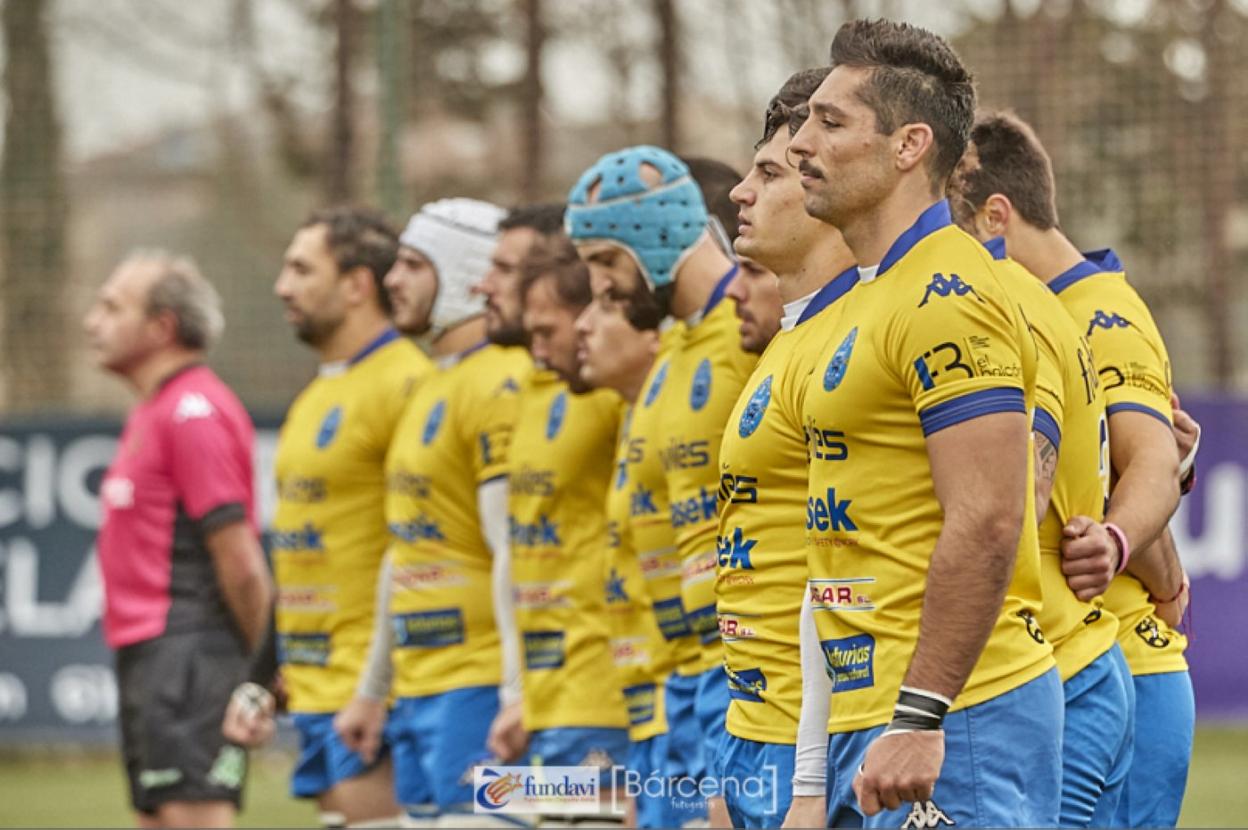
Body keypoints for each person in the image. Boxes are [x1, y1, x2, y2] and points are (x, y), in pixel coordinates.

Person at [785, 19, 1060, 828]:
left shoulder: (948, 294)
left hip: (954, 716)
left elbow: (988, 518)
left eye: (830, 122)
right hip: (872, 712)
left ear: (909, 146)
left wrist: (921, 715)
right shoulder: (870, 295)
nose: (802, 142)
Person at [951, 111, 1193, 828]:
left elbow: (1149, 458)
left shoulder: (1099, 314)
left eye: (945, 226)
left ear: (996, 215)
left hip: (1116, 662)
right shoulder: (1034, 310)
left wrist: (1118, 541)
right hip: (1073, 669)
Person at [567, 148, 757, 825]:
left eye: (608, 264)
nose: (602, 292)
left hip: (741, 677)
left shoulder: (746, 337)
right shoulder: (672, 353)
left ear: (654, 239)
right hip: (676, 687)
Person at [224, 207, 428, 829]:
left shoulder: (408, 386)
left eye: (301, 269)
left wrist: (379, 683)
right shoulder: (313, 398)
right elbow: (298, 549)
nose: (283, 286)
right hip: (314, 694)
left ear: (357, 285)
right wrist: (262, 678)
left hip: (377, 701)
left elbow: (423, 547)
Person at [333, 198, 532, 825]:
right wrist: (373, 690)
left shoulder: (503, 379)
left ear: (468, 272)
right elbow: (407, 548)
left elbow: (515, 551)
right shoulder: (431, 384)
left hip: (476, 690)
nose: (392, 280)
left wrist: (515, 691)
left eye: (414, 265)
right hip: (418, 693)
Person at [950, 159, 1134, 824]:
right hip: (1066, 662)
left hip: (1052, 664)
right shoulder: (1008, 294)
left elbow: (1021, 496)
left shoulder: (998, 298)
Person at [715, 67, 860, 829]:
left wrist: (807, 776)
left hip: (809, 743)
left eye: (767, 173)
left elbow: (835, 571)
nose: (741, 193)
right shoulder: (787, 340)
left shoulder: (856, 336)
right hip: (752, 728)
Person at [86, 251, 272, 830]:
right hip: (154, 659)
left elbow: (240, 561)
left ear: (162, 327)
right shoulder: (154, 409)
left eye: (112, 306)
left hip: (190, 659)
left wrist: (262, 673)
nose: (93, 321)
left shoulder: (193, 411)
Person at [498, 247, 631, 819]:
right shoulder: (534, 394)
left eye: (547, 330)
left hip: (603, 690)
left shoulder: (613, 399)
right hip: (549, 694)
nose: (538, 347)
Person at [576, 242, 704, 829]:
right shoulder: (632, 412)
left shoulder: (705, 374)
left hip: (666, 704)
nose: (583, 325)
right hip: (636, 715)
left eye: (607, 303)